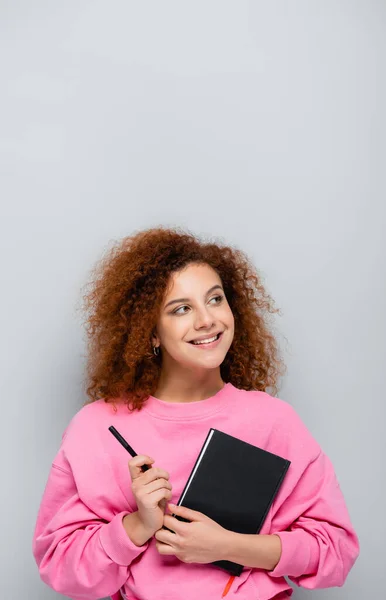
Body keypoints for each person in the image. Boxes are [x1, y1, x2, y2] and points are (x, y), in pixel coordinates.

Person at [32, 226, 359, 600]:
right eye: (181, 308)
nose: (207, 320)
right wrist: (138, 525)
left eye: (215, 299)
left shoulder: (274, 421)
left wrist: (227, 546)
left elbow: (337, 550)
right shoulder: (96, 429)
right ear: (150, 332)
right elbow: (59, 566)